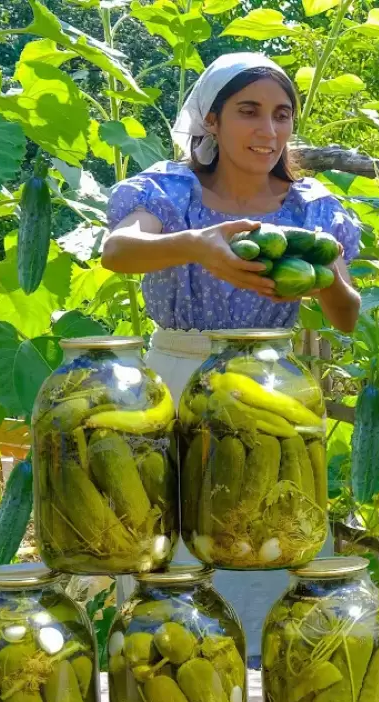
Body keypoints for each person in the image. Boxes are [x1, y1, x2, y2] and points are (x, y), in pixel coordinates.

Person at [101, 52, 363, 658]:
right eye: (249, 112)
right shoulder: (169, 191)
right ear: (211, 121)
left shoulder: (310, 208)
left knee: (271, 535)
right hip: (175, 384)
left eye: (281, 115)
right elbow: (118, 249)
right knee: (176, 554)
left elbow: (345, 315)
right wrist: (196, 246)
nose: (268, 131)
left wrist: (324, 271)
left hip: (268, 393)